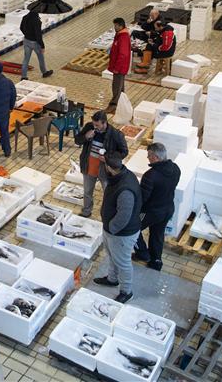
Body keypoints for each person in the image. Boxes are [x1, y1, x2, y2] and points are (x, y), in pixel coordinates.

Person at [93, 154, 142, 303]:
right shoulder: (120, 176)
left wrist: (112, 228)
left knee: (123, 262)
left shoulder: (125, 188)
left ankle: (126, 291)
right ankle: (112, 279)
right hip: (112, 231)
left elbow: (123, 217)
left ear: (108, 167)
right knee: (112, 256)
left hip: (121, 234)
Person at [132, 143, 181, 271]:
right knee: (157, 234)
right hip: (168, 209)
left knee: (133, 227)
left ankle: (142, 253)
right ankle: (156, 261)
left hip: (151, 212)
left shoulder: (151, 175)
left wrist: (135, 211)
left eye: (149, 156)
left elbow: (143, 198)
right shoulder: (175, 168)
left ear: (155, 157)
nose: (148, 158)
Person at [74, 111, 128, 217]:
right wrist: (86, 136)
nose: (95, 127)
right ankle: (86, 211)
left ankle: (107, 214)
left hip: (106, 169)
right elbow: (77, 141)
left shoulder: (115, 134)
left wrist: (107, 158)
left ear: (104, 123)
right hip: (89, 165)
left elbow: (124, 152)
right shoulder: (89, 127)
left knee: (108, 193)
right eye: (94, 124)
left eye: (97, 125)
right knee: (87, 191)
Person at [19, 10, 53, 80]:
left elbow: (21, 28)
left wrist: (26, 34)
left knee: (26, 59)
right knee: (41, 58)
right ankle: (44, 72)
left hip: (26, 41)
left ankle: (23, 76)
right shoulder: (36, 20)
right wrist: (42, 46)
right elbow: (38, 35)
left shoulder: (25, 17)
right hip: (35, 43)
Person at [107, 18, 131, 108]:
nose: (114, 27)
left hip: (120, 67)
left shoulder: (123, 37)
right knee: (120, 85)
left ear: (121, 26)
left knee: (116, 85)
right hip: (119, 66)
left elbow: (123, 54)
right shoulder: (119, 35)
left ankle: (114, 104)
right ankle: (122, 102)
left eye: (116, 25)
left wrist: (117, 68)